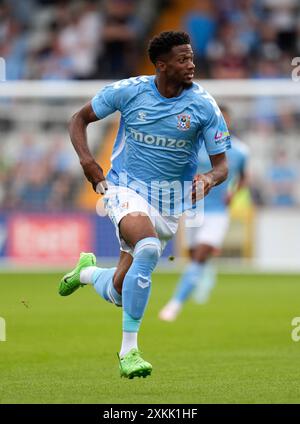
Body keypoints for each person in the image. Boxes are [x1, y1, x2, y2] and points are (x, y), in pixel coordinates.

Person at [58, 31, 230, 379]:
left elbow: (222, 165)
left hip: (170, 203)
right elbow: (79, 119)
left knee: (120, 291)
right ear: (162, 64)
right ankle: (129, 351)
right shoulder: (130, 90)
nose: (191, 64)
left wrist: (209, 179)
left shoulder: (203, 106)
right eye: (183, 59)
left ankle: (87, 273)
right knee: (148, 249)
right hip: (124, 189)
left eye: (192, 57)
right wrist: (87, 161)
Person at [159, 105, 249, 322]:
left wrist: (233, 194)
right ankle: (204, 274)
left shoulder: (241, 151)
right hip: (193, 209)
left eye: (224, 120)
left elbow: (244, 177)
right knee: (194, 256)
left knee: (200, 254)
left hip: (218, 212)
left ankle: (175, 304)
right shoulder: (195, 145)